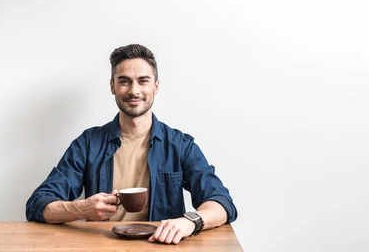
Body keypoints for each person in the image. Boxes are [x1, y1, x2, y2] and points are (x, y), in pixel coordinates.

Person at [26, 44, 237, 244]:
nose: (133, 90)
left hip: (161, 246)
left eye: (143, 80)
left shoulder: (180, 145)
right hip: (100, 246)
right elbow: (38, 204)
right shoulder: (88, 143)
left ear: (156, 86)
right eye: (124, 81)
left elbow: (221, 203)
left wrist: (191, 221)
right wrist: (82, 209)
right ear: (112, 86)